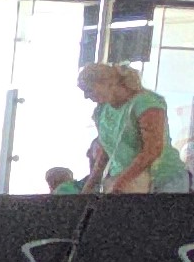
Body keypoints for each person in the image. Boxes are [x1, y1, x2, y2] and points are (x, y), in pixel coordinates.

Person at [78, 62, 188, 194]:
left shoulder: (146, 102)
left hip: (162, 180)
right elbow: (106, 149)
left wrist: (121, 182)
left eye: (89, 90)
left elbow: (153, 149)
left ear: (108, 83)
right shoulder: (101, 110)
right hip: (126, 183)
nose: (86, 96)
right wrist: (90, 185)